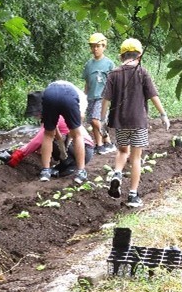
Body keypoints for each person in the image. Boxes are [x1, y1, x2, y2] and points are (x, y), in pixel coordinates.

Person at [100, 38, 170, 208]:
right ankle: (132, 195)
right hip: (138, 121)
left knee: (123, 151)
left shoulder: (114, 74)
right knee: (136, 158)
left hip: (120, 121)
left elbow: (105, 99)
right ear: (139, 56)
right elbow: (153, 96)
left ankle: (117, 173)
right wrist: (163, 115)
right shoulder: (142, 72)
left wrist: (103, 120)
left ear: (122, 55)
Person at [7, 91, 95, 175]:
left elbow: (38, 140)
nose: (35, 116)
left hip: (84, 149)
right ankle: (66, 163)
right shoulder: (56, 113)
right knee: (51, 138)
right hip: (82, 149)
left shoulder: (55, 116)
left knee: (49, 140)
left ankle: (71, 164)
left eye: (36, 113)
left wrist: (20, 154)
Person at [38, 81, 89, 184]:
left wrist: (60, 140)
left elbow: (53, 126)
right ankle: (81, 172)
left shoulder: (52, 86)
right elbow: (81, 118)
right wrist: (70, 137)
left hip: (49, 93)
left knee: (48, 134)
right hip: (69, 95)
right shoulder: (82, 97)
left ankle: (45, 171)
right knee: (78, 135)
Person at [83, 33, 116, 155]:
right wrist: (84, 96)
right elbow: (87, 82)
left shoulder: (109, 64)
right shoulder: (88, 64)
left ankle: (104, 143)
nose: (95, 49)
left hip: (103, 97)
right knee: (92, 121)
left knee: (96, 120)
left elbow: (114, 82)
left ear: (104, 46)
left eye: (98, 46)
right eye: (93, 46)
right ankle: (102, 143)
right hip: (91, 96)